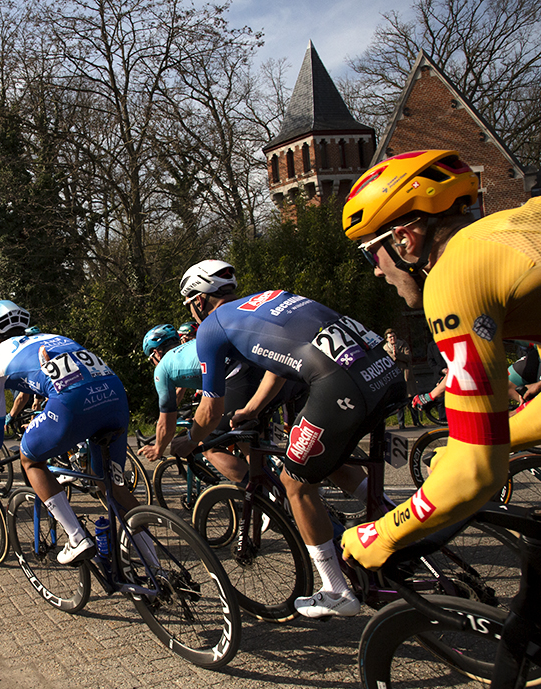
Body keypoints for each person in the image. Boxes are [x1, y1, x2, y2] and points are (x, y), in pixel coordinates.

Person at [341, 148, 541, 571]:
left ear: (403, 239)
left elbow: (476, 474)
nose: (376, 272)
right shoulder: (516, 227)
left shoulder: (454, 276)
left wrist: (382, 532)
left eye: (369, 254)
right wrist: (489, 437)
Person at [169, 260, 405, 618]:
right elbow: (277, 367)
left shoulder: (211, 327)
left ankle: (336, 590)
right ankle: (407, 527)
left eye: (190, 305)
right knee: (333, 463)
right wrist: (251, 409)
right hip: (383, 371)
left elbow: (209, 411)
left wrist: (190, 441)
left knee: (293, 483)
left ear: (199, 301)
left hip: (340, 387)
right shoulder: (270, 297)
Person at [0, 300, 150, 565]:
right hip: (115, 397)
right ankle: (158, 567)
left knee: (30, 459)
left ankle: (77, 537)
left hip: (73, 404)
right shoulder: (56, 337)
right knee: (109, 483)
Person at [138, 323, 265, 483]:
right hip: (260, 369)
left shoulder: (163, 368)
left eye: (151, 359)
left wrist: (158, 448)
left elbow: (167, 425)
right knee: (243, 436)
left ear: (156, 352)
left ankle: (261, 495)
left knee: (207, 444)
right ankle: (272, 486)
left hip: (237, 377)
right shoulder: (191, 346)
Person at [383, 328, 421, 429]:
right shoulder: (385, 349)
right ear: (387, 339)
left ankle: (416, 421)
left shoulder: (403, 344)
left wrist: (398, 355)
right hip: (396, 377)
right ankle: (401, 423)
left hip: (406, 375)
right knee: (399, 402)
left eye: (394, 336)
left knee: (411, 398)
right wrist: (394, 356)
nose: (392, 339)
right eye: (390, 337)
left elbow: (408, 357)